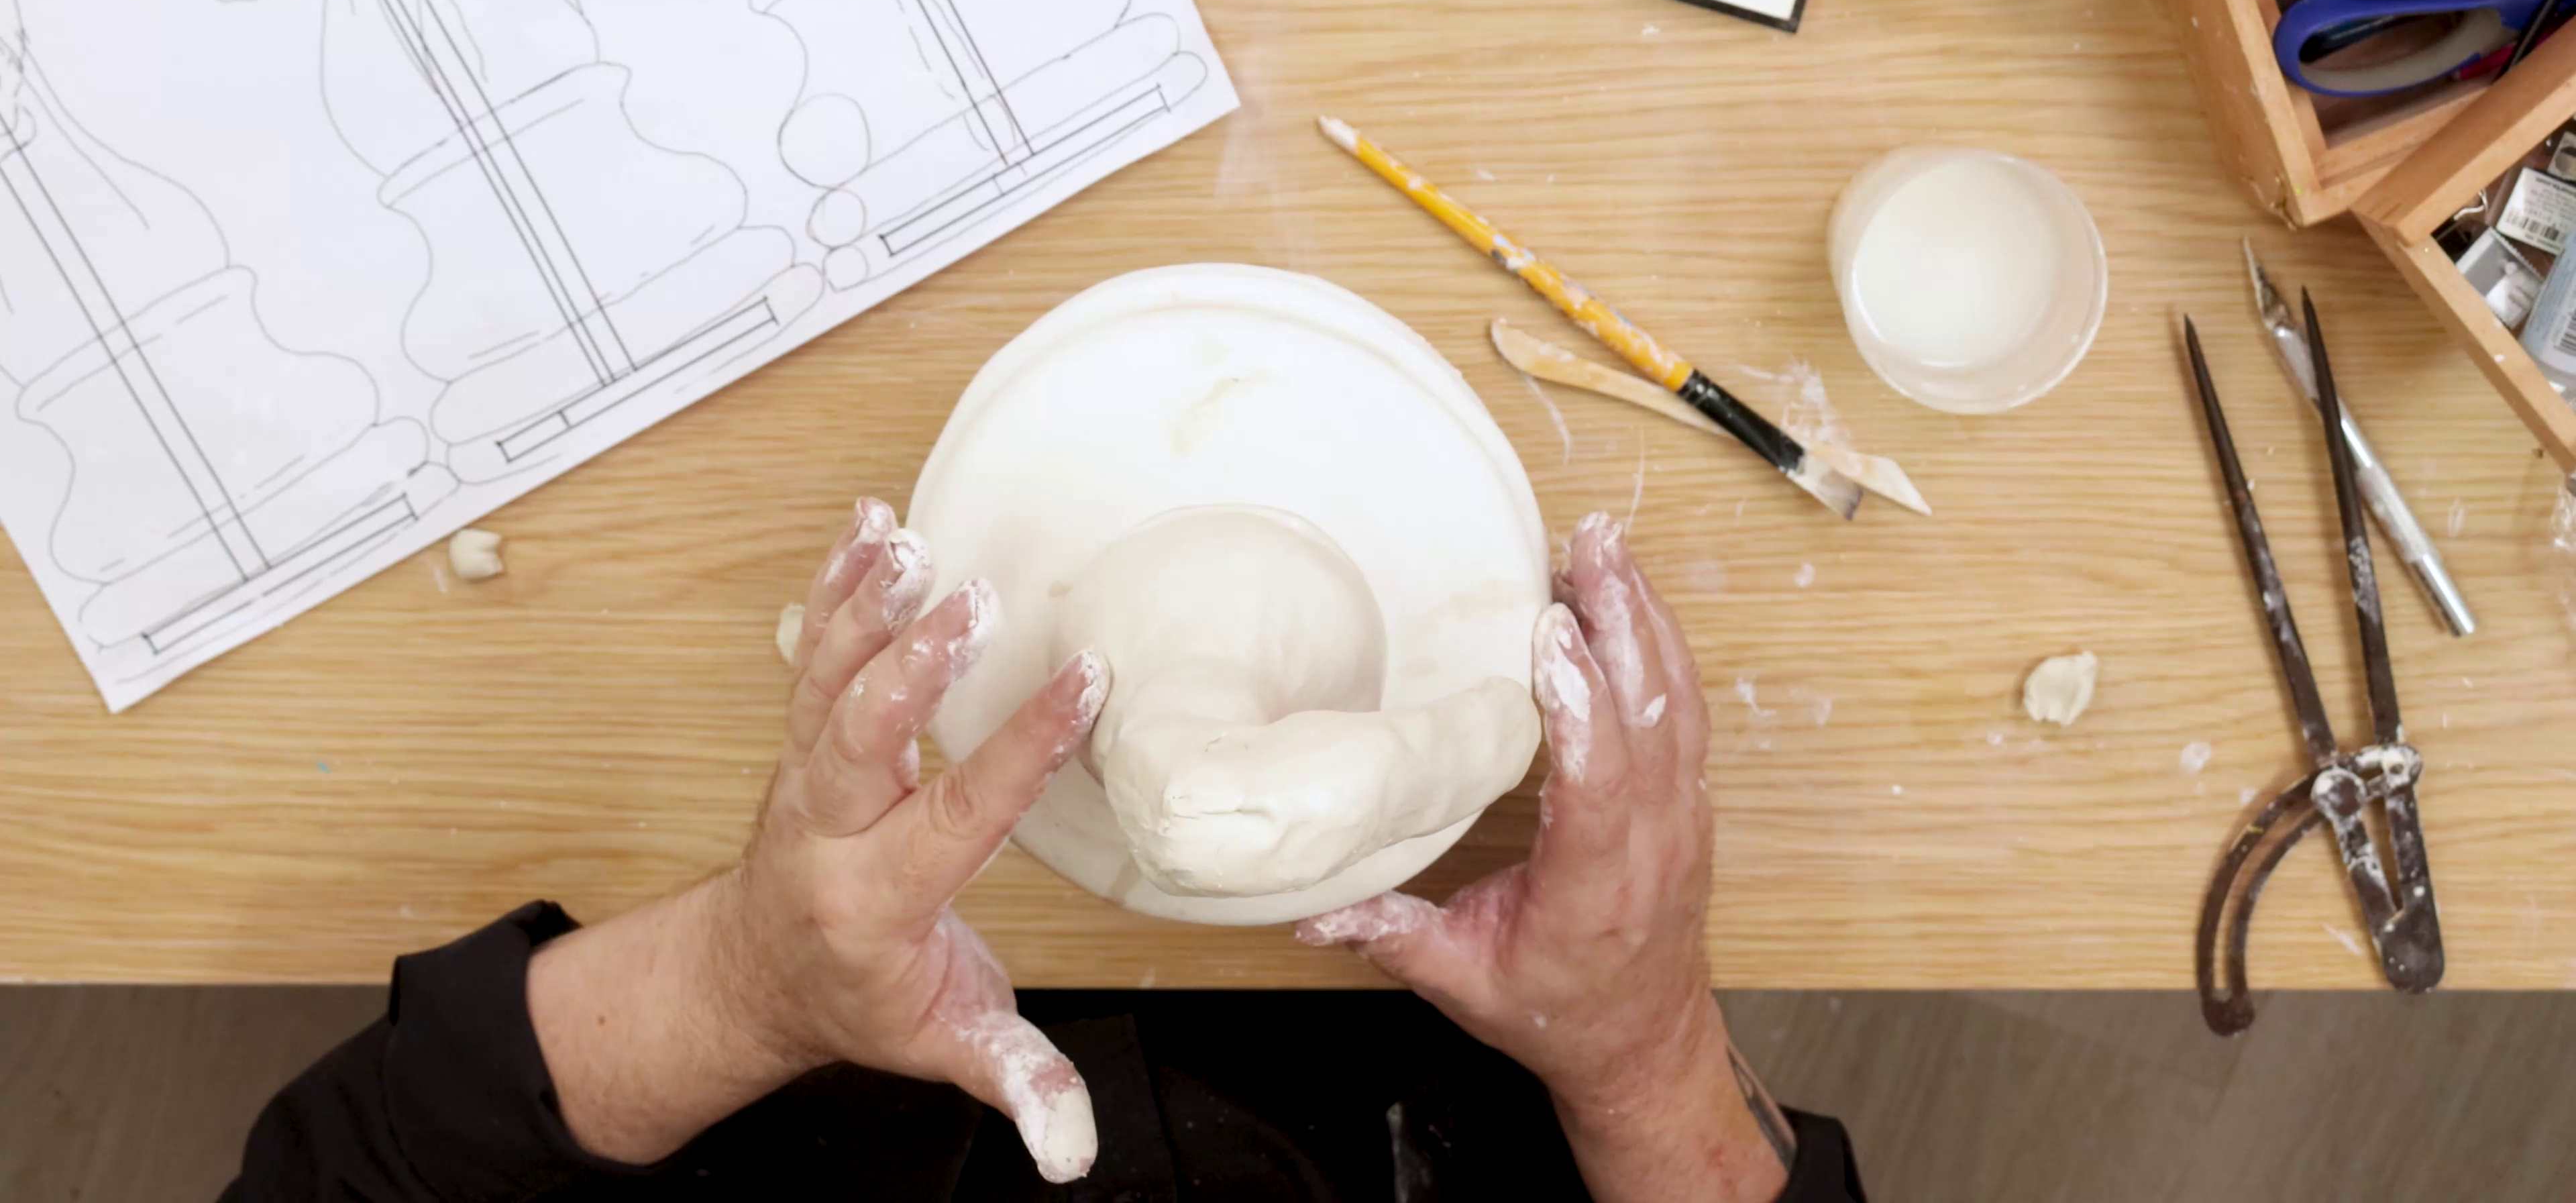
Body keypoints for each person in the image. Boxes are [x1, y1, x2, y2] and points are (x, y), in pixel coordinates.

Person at [223, 506, 1868, 1202]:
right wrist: (1648, 1068)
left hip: (819, 1060)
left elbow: (342, 1187)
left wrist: (744, 985)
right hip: (1456, 1061)